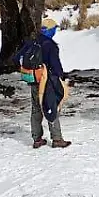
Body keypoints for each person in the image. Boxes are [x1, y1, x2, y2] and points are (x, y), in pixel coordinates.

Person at [25, 17, 72, 149]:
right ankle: (57, 139)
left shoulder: (33, 42)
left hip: (34, 80)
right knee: (52, 106)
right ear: (50, 30)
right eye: (54, 29)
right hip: (47, 81)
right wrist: (61, 77)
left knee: (36, 109)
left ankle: (37, 139)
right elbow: (55, 65)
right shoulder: (50, 45)